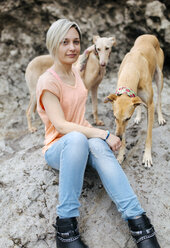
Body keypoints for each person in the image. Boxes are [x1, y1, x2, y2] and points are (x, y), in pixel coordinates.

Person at [36, 18, 161, 248]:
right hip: (58, 147)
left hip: (83, 142)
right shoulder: (47, 82)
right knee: (78, 139)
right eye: (65, 42)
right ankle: (65, 231)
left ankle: (139, 223)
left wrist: (89, 54)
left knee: (92, 144)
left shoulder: (75, 72)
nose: (72, 47)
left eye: (76, 41)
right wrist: (103, 134)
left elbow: (88, 60)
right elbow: (62, 126)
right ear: (53, 44)